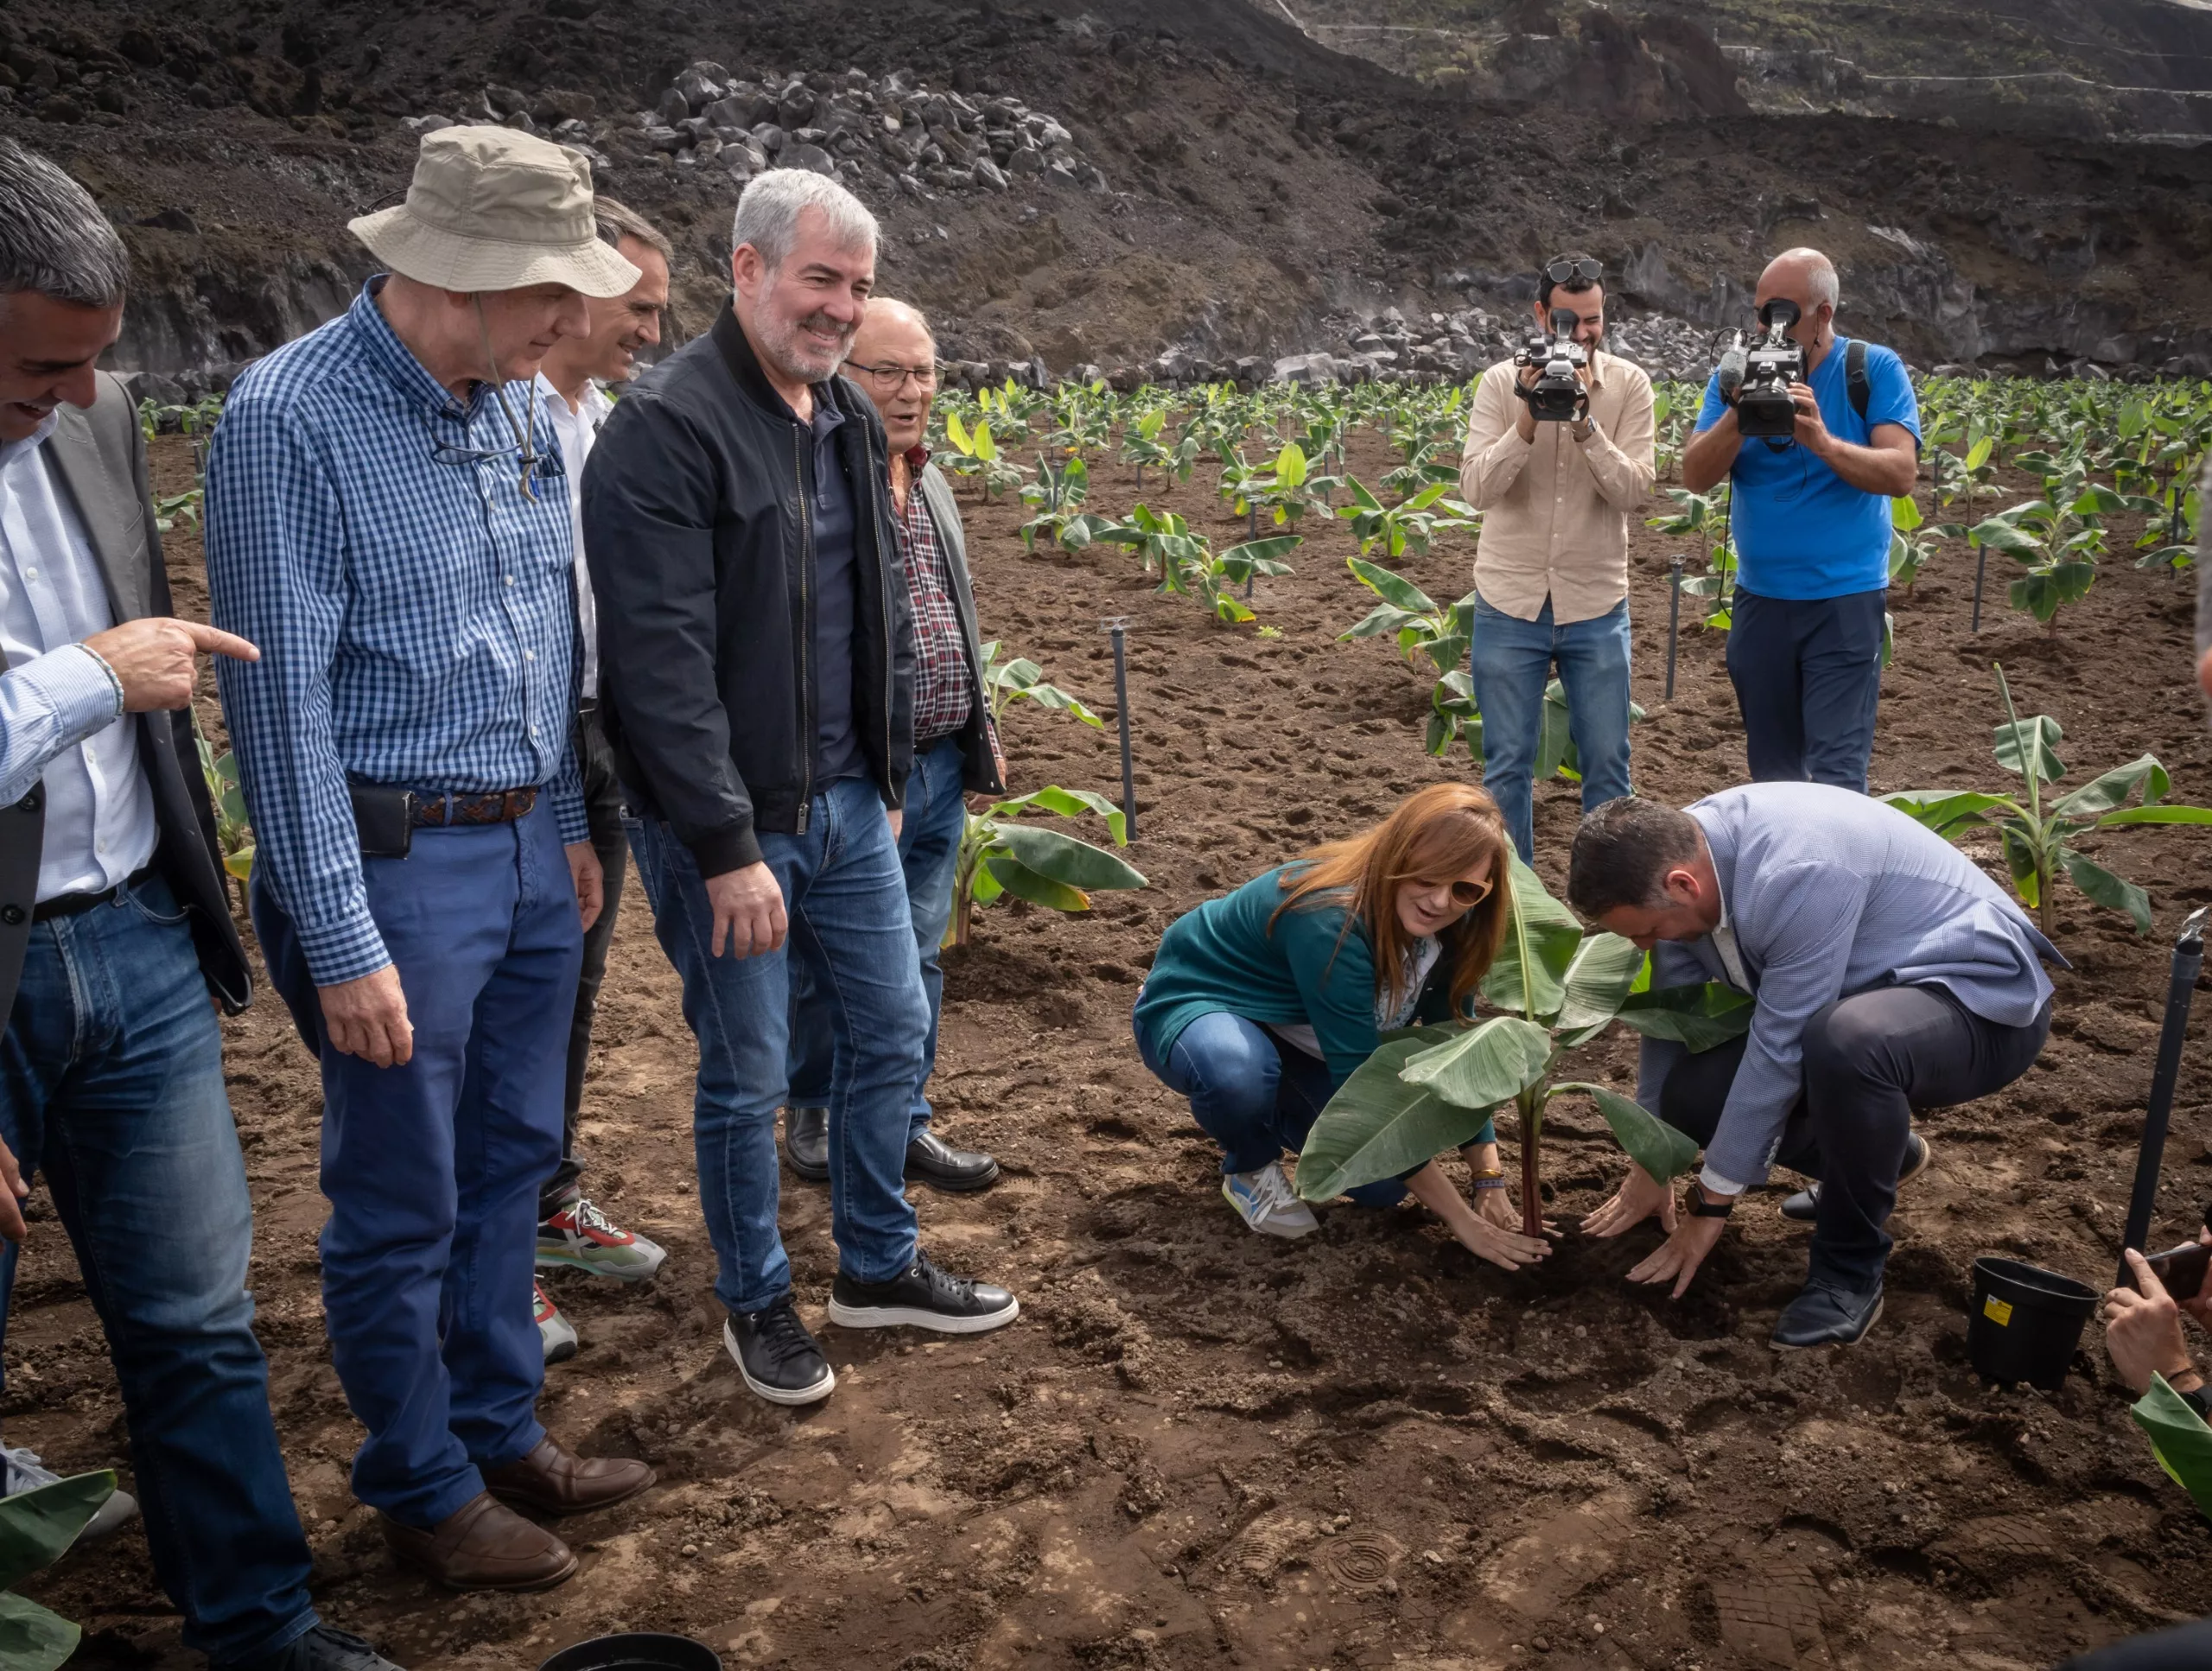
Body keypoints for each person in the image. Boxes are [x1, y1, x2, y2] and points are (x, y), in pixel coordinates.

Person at [206, 127, 652, 1594]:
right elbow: (279, 698)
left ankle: (497, 1425)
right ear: (454, 280)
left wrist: (571, 823)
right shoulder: (292, 420)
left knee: (514, 1155)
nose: (573, 323)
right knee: (403, 1187)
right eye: (550, 296)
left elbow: (546, 634)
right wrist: (337, 931)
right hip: (394, 862)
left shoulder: (520, 404)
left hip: (527, 844)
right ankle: (419, 1482)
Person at [0, 139, 400, 1671]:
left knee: (197, 1317)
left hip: (135, 933)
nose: (86, 396)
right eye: (46, 364)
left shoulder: (86, 425)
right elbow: (112, 668)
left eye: (100, 362)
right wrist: (90, 676)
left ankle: (257, 1621)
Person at [581, 169, 1018, 1413]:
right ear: (749, 269)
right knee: (749, 1070)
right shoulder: (665, 426)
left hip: (847, 807)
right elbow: (657, 663)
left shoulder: (844, 418)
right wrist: (724, 844)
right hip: (733, 830)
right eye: (819, 279)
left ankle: (877, 1264)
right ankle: (757, 1297)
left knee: (891, 1031)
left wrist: (880, 772)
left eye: (859, 288)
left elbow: (869, 619)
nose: (838, 309)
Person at [1567, 786, 2059, 1348]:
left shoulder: (1797, 870)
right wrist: (1652, 1159)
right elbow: (1673, 1024)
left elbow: (1782, 1047)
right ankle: (1882, 1157)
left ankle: (1848, 1275)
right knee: (1695, 1092)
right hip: (1870, 998)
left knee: (1846, 1044)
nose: (1644, 945)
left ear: (1684, 884)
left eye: (1647, 930)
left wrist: (1709, 1206)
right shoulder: (1683, 858)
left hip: (1980, 1007)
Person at [1130, 784, 1552, 1269]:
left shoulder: (1457, 925)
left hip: (1300, 1033)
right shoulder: (1332, 919)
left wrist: (1489, 1178)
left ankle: (1276, 1108)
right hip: (1200, 1001)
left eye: (1464, 889)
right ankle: (1250, 1166)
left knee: (1384, 1184)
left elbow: (1457, 1044)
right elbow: (1361, 1079)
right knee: (1236, 1074)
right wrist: (1461, 1221)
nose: (1439, 901)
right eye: (1426, 876)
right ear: (1397, 854)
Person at [782, 296, 1003, 1197]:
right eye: (888, 372)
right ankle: (811, 1108)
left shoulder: (929, 477)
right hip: (865, 773)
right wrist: (870, 764)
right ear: (839, 372)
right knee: (834, 960)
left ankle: (902, 1115)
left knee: (917, 954)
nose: (911, 391)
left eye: (923, 371)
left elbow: (956, 614)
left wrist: (979, 729)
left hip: (942, 762)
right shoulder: (824, 484)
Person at [528, 195, 676, 1363]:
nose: (649, 334)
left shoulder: (604, 421)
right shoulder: (510, 413)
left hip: (595, 734)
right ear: (569, 294)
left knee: (571, 988)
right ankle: (498, 1240)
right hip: (520, 747)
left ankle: (545, 1200)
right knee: (509, 1003)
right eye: (637, 310)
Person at [1681, 248, 1920, 792]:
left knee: (1837, 775)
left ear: (1825, 313)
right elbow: (1694, 475)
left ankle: (1836, 878)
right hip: (1761, 603)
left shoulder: (1871, 368)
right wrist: (1741, 415)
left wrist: (1823, 441)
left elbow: (1901, 472)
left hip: (1844, 603)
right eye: (1763, 312)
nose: (1770, 326)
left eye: (1784, 312)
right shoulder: (1734, 376)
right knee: (1773, 775)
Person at [1458, 253, 1655, 861]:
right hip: (1509, 601)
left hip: (1595, 603)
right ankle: (1513, 904)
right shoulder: (1498, 383)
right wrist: (1527, 417)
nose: (1582, 334)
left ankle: (1607, 894)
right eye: (1567, 320)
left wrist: (1584, 427)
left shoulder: (1629, 386)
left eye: (1592, 320)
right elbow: (1475, 490)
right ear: (1541, 315)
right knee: (1506, 764)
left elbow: (1636, 492)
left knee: (1607, 764)